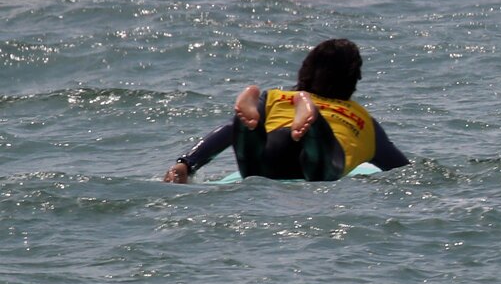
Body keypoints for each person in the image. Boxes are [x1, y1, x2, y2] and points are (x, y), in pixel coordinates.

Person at [162, 39, 408, 183]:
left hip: (274, 147)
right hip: (322, 160)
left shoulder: (277, 97)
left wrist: (185, 164)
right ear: (354, 80)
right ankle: (314, 128)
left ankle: (250, 131)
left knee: (250, 152)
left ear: (306, 70)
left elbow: (225, 133)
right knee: (320, 165)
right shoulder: (365, 121)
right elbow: (402, 169)